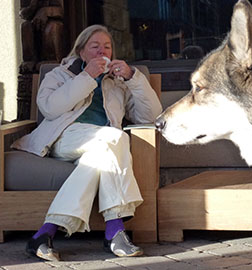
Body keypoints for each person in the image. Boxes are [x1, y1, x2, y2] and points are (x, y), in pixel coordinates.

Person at [12, 24, 162, 261]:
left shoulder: (118, 82)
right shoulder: (59, 75)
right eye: (94, 47)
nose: (102, 51)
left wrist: (133, 78)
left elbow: (150, 117)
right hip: (64, 137)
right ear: (81, 52)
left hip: (101, 144)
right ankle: (115, 228)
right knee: (116, 137)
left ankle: (45, 233)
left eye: (107, 47)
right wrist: (86, 76)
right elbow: (50, 109)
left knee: (104, 150)